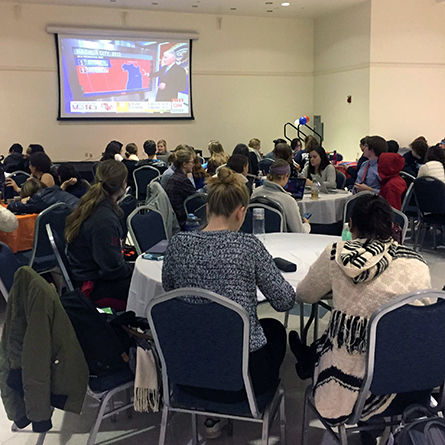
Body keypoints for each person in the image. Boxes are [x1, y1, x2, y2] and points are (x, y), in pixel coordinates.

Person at [162, 167, 295, 434]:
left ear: (208, 207)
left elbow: (170, 291)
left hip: (186, 372)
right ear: (241, 211)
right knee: (277, 330)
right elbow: (284, 301)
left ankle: (210, 417)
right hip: (242, 379)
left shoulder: (177, 245)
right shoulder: (248, 247)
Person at [289, 194, 431, 435]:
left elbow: (304, 294)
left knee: (338, 337)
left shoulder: (337, 254)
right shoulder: (417, 262)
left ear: (351, 225)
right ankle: (309, 355)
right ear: (391, 226)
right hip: (417, 378)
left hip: (356, 385)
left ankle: (308, 358)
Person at [65, 160, 133, 311]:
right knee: (150, 291)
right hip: (92, 288)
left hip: (87, 277)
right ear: (123, 183)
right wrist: (133, 270)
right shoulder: (104, 220)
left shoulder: (90, 205)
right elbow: (112, 269)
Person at [252, 159, 310, 233]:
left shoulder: (255, 193)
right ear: (284, 176)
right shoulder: (288, 201)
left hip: (257, 240)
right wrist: (306, 225)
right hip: (281, 242)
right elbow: (299, 231)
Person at [7, 177, 78, 214]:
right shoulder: (54, 190)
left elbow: (11, 206)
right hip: (82, 209)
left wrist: (23, 202)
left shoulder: (38, 199)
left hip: (76, 219)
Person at [165, 148, 197, 228]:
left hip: (175, 218)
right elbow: (197, 200)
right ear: (184, 164)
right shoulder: (182, 180)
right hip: (182, 220)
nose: (193, 165)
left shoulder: (174, 177)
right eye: (192, 162)